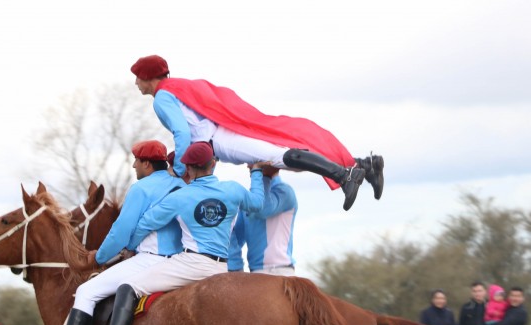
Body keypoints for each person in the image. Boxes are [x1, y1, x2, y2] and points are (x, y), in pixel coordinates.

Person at [73, 141, 265, 325]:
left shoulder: (180, 197)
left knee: (128, 286)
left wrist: (130, 247)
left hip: (191, 264)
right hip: (222, 268)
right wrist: (255, 171)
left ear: (189, 169)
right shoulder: (233, 190)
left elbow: (146, 223)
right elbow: (258, 203)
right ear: (213, 164)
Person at [130, 54, 384, 211]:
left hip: (220, 141)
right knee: (287, 160)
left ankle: (344, 175)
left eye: (137, 78)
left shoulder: (161, 98)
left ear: (146, 77)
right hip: (222, 134)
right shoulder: (177, 86)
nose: (136, 83)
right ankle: (365, 166)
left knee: (279, 157)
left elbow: (182, 133)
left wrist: (181, 169)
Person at [27, 140, 184, 325]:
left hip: (152, 259)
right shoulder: (181, 184)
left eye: (136, 161)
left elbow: (120, 231)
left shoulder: (140, 190)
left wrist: (97, 257)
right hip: (182, 261)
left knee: (86, 291)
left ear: (147, 164)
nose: (133, 166)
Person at [227, 164, 298, 325]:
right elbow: (236, 236)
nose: (248, 166)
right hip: (256, 276)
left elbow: (263, 207)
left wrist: (257, 172)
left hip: (282, 274)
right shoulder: (250, 197)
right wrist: (234, 268)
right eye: (249, 163)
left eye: (254, 163)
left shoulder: (285, 192)